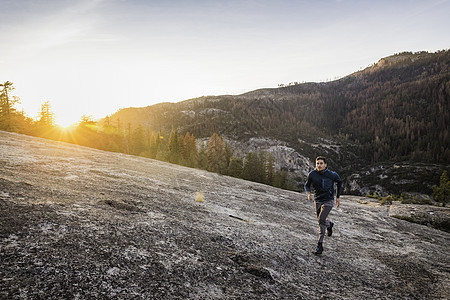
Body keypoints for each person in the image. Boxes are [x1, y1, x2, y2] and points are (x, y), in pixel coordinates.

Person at [305, 156, 342, 255]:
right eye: (317, 163)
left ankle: (319, 245)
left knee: (321, 219)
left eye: (321, 163)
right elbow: (307, 185)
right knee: (321, 220)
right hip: (318, 200)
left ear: (325, 165)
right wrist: (309, 193)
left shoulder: (332, 174)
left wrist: (337, 196)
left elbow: (339, 182)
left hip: (328, 200)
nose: (319, 165)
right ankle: (329, 225)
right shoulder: (312, 174)